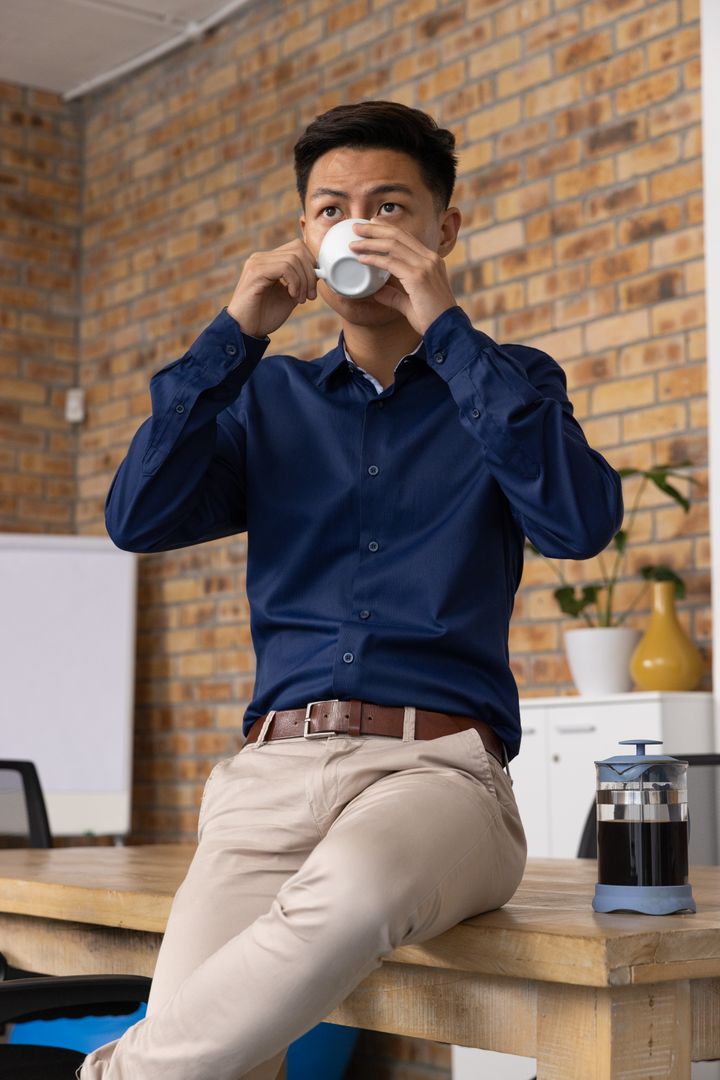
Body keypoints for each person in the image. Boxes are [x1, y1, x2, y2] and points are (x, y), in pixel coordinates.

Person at [78, 100, 623, 1080]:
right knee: (217, 1053)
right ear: (304, 234)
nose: (357, 227)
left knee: (354, 892)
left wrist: (447, 328)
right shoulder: (264, 398)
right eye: (331, 208)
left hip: (440, 778)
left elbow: (579, 525)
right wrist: (231, 338)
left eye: (390, 207)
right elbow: (136, 517)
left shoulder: (509, 383)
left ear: (442, 230)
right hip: (269, 778)